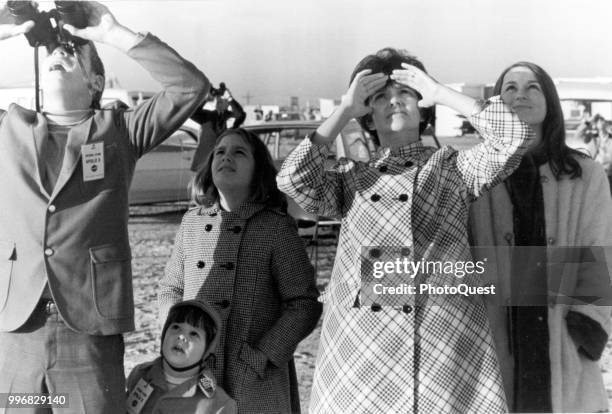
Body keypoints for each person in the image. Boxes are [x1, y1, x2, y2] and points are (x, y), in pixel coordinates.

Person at [277, 48, 533, 413]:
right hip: (361, 351)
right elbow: (292, 180)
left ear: (423, 106)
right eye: (380, 96)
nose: (393, 102)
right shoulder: (351, 178)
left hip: (440, 343)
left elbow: (514, 138)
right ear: (368, 113)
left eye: (405, 93)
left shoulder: (453, 169)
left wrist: (442, 94)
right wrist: (344, 110)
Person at [0, 2, 208, 413]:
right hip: (18, 327)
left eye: (75, 52)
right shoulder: (9, 129)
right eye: (55, 51)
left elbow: (190, 88)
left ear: (97, 81)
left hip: (88, 327)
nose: (61, 52)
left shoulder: (120, 132)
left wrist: (112, 33)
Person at [469, 62, 612, 413]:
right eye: (510, 88)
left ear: (550, 101)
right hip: (495, 332)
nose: (520, 95)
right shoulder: (471, 173)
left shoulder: (584, 173)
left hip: (560, 335)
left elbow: (599, 251)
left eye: (532, 87)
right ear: (494, 103)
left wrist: (585, 326)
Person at [159, 128, 322, 414]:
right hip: (193, 372)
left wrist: (260, 357)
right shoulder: (192, 223)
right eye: (220, 152)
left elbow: (304, 304)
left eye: (239, 152)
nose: (226, 157)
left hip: (254, 380)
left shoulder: (275, 227)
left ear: (258, 169)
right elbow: (170, 289)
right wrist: (174, 341)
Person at [126, 300, 237, 414]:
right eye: (176, 327)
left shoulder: (219, 405)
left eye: (194, 333)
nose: (181, 336)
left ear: (207, 349)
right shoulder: (139, 375)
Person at [189, 85, 246, 172]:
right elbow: (192, 112)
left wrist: (230, 98)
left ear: (228, 104)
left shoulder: (232, 116)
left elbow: (240, 115)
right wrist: (206, 98)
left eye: (222, 99)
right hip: (202, 165)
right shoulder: (207, 116)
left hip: (222, 165)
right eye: (217, 99)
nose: (219, 100)